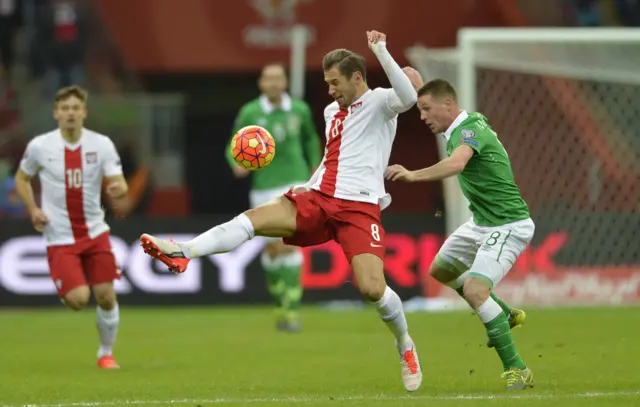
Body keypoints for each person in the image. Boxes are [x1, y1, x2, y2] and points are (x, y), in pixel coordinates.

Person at [140, 30, 423, 392]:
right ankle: (184, 252)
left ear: (356, 78)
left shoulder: (383, 103)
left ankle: (405, 345)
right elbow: (335, 155)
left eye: (335, 82)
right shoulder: (329, 110)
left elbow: (410, 96)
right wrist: (310, 181)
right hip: (318, 196)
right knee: (253, 221)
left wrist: (381, 50)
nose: (331, 90)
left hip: (359, 207)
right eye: (326, 83)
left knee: (372, 288)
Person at [385, 78, 535, 390]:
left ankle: (517, 369)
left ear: (448, 105)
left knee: (475, 290)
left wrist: (414, 174)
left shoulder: (469, 130)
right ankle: (504, 315)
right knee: (441, 269)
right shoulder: (460, 126)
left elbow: (456, 163)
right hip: (481, 222)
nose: (422, 116)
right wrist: (420, 85)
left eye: (426, 109)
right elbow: (440, 96)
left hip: (507, 224)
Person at [14, 85, 128, 369]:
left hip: (95, 232)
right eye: (65, 109)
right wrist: (33, 209)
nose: (70, 113)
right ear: (55, 114)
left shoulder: (101, 144)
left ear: (84, 113)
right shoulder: (40, 146)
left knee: (105, 296)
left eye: (76, 108)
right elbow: (22, 178)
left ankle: (106, 353)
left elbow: (121, 184)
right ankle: (70, 285)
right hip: (59, 236)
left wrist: (118, 190)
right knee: (78, 300)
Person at [226, 63, 321, 332]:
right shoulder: (251, 112)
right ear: (261, 83)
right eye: (269, 78)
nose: (274, 83)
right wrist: (236, 162)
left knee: (291, 242)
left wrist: (315, 166)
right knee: (271, 249)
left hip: (296, 182)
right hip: (263, 185)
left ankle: (291, 311)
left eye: (279, 78)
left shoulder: (299, 110)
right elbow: (232, 143)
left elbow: (311, 139)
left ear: (285, 82)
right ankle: (280, 299)